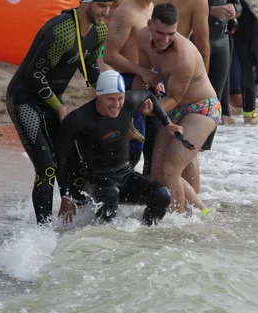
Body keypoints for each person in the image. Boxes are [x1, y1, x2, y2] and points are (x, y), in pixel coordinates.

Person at [6, 0, 116, 224]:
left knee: (75, 161)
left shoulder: (100, 30)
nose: (105, 12)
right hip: (25, 98)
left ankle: (81, 226)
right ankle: (41, 233)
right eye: (101, 5)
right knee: (47, 167)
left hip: (53, 99)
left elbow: (89, 67)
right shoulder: (62, 31)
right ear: (85, 2)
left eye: (108, 6)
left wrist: (110, 95)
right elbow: (34, 75)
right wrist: (59, 107)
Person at [55, 70, 185, 225]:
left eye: (120, 98)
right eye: (110, 99)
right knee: (110, 195)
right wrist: (67, 196)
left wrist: (167, 123)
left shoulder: (129, 102)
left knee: (162, 195)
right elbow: (61, 158)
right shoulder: (78, 119)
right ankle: (101, 239)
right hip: (96, 181)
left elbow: (148, 94)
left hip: (125, 174)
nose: (116, 105)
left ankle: (145, 234)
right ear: (98, 95)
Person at [138, 3, 220, 214]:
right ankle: (201, 211)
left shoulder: (183, 56)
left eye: (171, 34)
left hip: (202, 108)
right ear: (149, 25)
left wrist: (149, 110)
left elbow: (175, 96)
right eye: (160, 33)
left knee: (171, 168)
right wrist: (135, 104)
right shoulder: (142, 39)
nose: (165, 40)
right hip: (173, 108)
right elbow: (144, 76)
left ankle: (178, 222)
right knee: (158, 172)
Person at [103, 0, 168, 167]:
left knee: (155, 147)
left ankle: (145, 198)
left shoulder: (152, 7)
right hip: (130, 85)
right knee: (133, 148)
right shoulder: (125, 13)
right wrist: (141, 71)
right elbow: (109, 55)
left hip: (150, 85)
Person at [201, 0, 241, 125]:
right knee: (197, 93)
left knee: (215, 99)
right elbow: (182, 3)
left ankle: (214, 151)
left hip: (222, 41)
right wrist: (211, 11)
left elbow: (237, 4)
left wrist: (234, 10)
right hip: (199, 40)